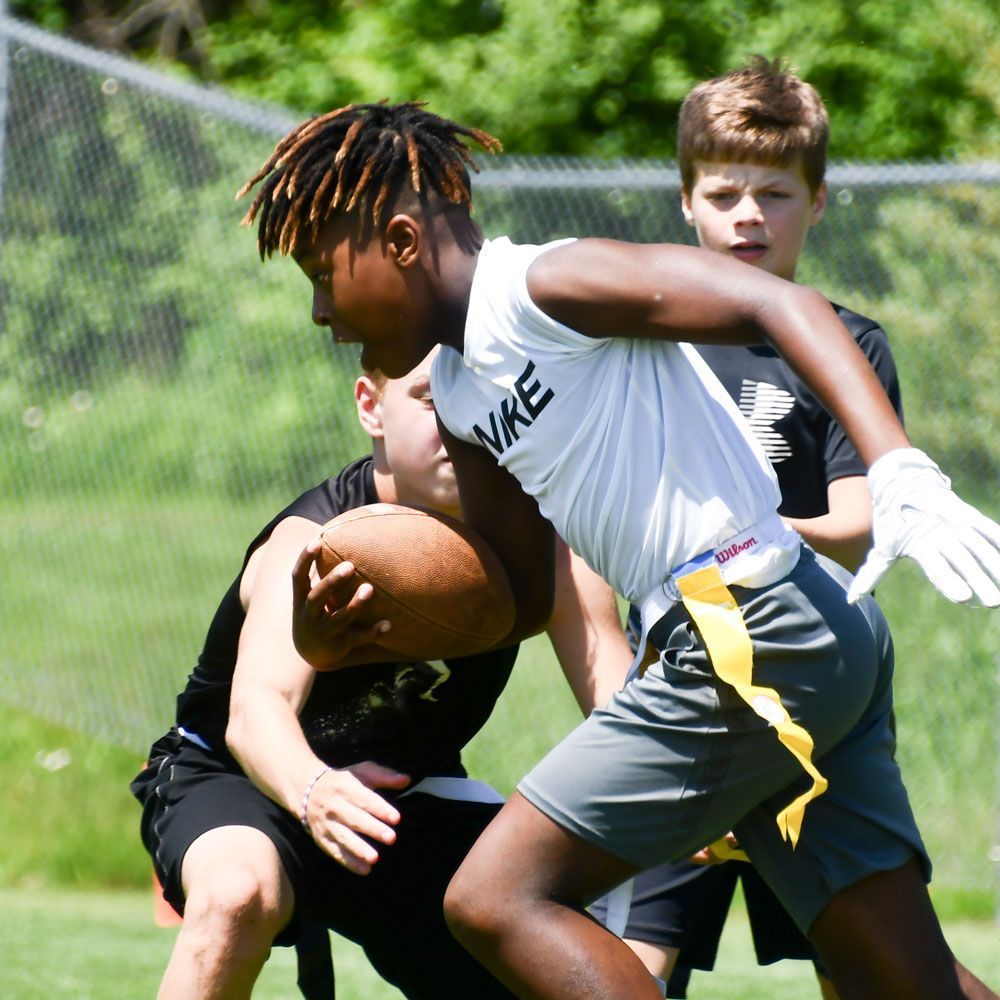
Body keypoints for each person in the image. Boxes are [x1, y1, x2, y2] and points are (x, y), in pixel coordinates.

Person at [237, 101, 1000, 1000]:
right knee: (906, 979)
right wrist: (351, 640)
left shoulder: (540, 288)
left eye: (324, 274)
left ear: (401, 242)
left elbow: (775, 299)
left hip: (747, 621)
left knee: (495, 897)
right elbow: (517, 601)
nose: (321, 311)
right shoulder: (456, 387)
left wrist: (899, 467)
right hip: (791, 636)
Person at [585, 56, 905, 999]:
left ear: (818, 200)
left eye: (775, 193)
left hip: (806, 704)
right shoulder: (635, 346)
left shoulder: (846, 345)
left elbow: (857, 516)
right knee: (630, 966)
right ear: (686, 201)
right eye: (723, 193)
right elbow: (586, 543)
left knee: (869, 967)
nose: (748, 215)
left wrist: (742, 546)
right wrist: (609, 685)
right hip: (680, 698)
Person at [131, 351, 523, 999]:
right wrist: (316, 790)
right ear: (371, 405)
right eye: (431, 398)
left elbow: (605, 675)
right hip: (243, 781)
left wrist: (684, 792)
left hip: (405, 796)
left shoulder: (528, 542)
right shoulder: (310, 542)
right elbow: (256, 712)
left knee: (538, 921)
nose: (456, 421)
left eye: (475, 398)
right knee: (236, 895)